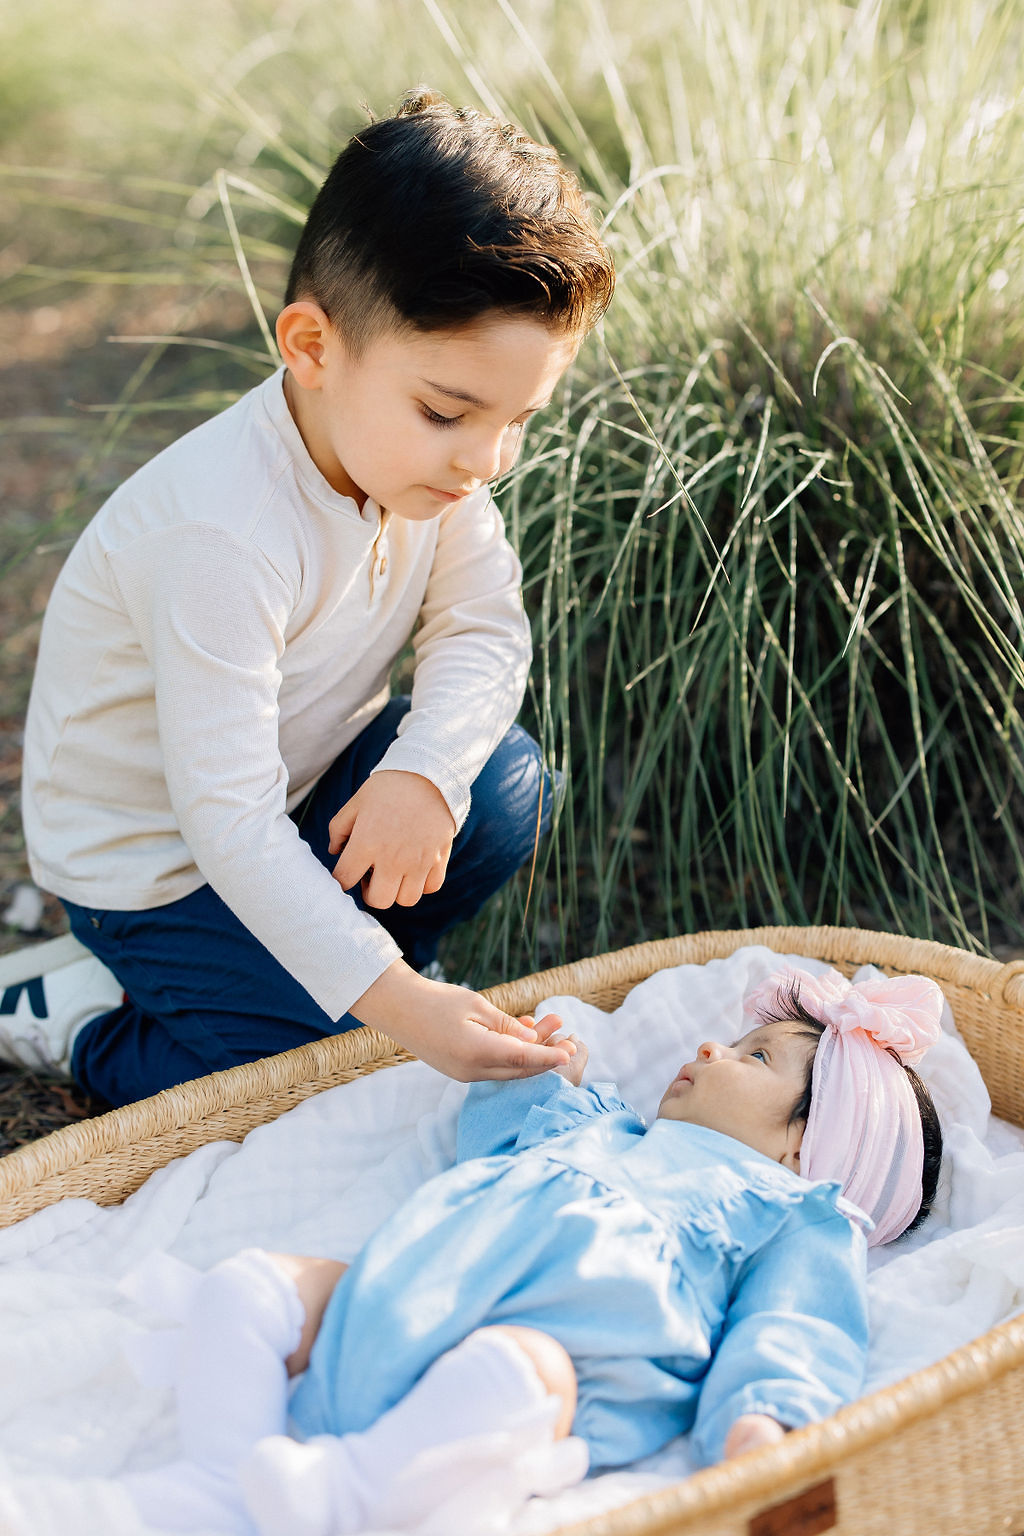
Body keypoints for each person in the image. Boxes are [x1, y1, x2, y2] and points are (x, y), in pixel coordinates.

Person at [6, 89, 615, 1106]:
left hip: (296, 798)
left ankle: (306, 972)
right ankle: (75, 1017)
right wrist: (406, 1006)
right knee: (320, 1073)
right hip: (159, 870)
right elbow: (226, 824)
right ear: (313, 348)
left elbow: (484, 627)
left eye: (520, 420)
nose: (489, 459)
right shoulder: (222, 535)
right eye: (449, 411)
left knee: (499, 785)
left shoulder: (427, 469)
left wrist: (424, 771)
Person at [120, 965, 945, 1535]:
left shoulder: (792, 1213)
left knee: (516, 1370)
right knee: (246, 1288)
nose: (710, 1049)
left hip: (566, 1365)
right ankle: (224, 1481)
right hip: (402, 1298)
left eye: (755, 1057)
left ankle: (349, 1490)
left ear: (806, 1147)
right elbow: (494, 1139)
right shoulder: (601, 1127)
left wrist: (764, 1416)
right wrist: (538, 1070)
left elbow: (798, 1324)